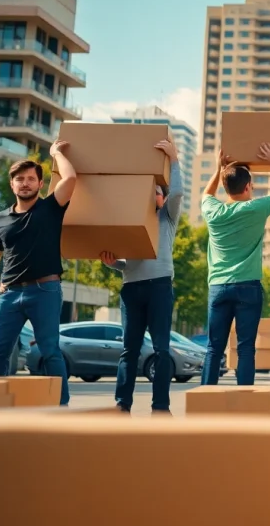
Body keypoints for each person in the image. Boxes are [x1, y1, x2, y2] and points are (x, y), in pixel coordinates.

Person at [200, 144, 270, 386]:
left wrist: (218, 169)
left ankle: (204, 405)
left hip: (218, 287)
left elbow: (207, 194)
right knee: (245, 348)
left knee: (214, 347)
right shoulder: (256, 208)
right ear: (248, 187)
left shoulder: (213, 211)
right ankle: (245, 404)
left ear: (226, 188)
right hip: (247, 287)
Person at [99, 140, 183, 414]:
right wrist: (114, 264)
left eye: (157, 192)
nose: (152, 196)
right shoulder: (133, 220)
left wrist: (174, 159)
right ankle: (122, 404)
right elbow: (129, 265)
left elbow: (179, 193)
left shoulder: (167, 217)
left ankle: (160, 406)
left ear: (163, 197)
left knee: (161, 350)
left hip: (159, 288)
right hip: (132, 289)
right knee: (129, 350)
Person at [0, 142, 76, 405]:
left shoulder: (51, 208)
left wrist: (56, 154)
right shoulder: (0, 219)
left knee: (50, 351)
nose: (25, 183)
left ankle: (62, 407)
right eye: (20, 179)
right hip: (8, 294)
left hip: (45, 291)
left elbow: (71, 178)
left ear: (40, 184)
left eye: (31, 178)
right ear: (12, 185)